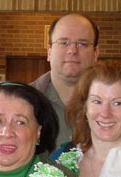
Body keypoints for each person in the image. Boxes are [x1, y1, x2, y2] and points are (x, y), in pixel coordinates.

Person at [31, 13, 99, 145]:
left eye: (82, 44)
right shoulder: (20, 102)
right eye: (64, 42)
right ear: (49, 51)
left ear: (96, 53)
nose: (72, 50)